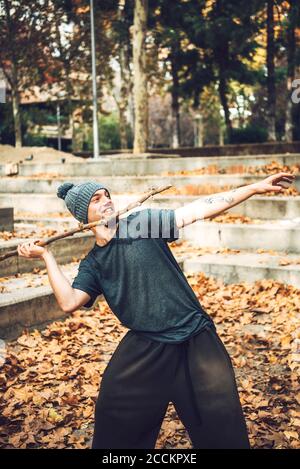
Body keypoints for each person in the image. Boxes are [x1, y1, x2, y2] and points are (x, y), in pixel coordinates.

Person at [17, 172, 295, 449]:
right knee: (114, 417)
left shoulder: (141, 224)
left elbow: (199, 209)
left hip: (195, 337)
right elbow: (68, 302)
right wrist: (47, 256)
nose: (107, 202)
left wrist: (254, 187)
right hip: (146, 348)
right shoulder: (95, 263)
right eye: (96, 199)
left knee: (221, 423)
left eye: (107, 195)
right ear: (82, 217)